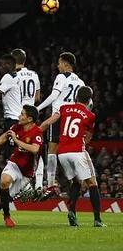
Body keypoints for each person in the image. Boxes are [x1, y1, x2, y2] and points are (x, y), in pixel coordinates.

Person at [39, 86, 105, 227]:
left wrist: (35, 132)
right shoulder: (90, 115)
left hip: (62, 153)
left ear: (76, 97)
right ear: (89, 100)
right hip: (77, 151)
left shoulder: (64, 108)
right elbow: (87, 137)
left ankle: (72, 212)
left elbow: (48, 122)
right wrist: (82, 147)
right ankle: (97, 219)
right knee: (92, 183)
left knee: (76, 182)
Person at [36, 52, 85, 193]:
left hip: (59, 116)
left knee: (52, 149)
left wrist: (37, 108)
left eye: (59, 63)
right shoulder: (81, 82)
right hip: (72, 119)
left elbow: (54, 96)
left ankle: (50, 184)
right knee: (69, 151)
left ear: (65, 64)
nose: (57, 66)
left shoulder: (61, 77)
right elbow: (89, 102)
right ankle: (76, 182)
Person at [12, 49, 44, 189]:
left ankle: (23, 186)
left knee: (17, 151)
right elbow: (37, 97)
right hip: (31, 115)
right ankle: (37, 184)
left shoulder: (13, 76)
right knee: (36, 151)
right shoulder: (34, 75)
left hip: (18, 115)